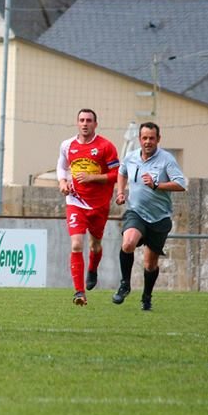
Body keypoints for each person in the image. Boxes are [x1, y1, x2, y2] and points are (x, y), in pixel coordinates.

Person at [112, 122, 187, 311]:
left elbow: (180, 184)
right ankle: (125, 284)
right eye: (144, 138)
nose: (147, 142)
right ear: (139, 139)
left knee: (150, 264)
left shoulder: (166, 160)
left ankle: (146, 297)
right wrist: (120, 192)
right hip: (135, 212)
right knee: (128, 243)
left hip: (159, 218)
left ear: (158, 139)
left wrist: (157, 185)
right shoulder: (130, 158)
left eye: (151, 138)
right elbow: (121, 173)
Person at [56, 108, 120, 306]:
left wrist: (93, 177)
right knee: (76, 244)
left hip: (99, 204)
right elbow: (62, 166)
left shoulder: (105, 146)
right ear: (77, 123)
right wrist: (62, 182)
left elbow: (117, 174)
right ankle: (79, 292)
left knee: (95, 244)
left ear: (95, 124)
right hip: (75, 202)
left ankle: (92, 269)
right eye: (82, 120)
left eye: (89, 120)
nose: (85, 123)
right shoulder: (67, 145)